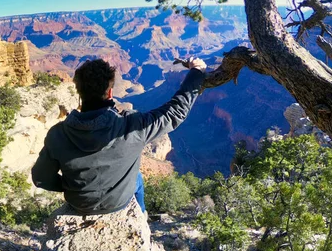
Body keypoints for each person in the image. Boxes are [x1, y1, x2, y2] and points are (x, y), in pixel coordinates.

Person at [31, 57, 206, 215]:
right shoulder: (131, 126)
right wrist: (197, 72)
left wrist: (73, 186)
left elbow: (40, 178)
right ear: (109, 93)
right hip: (119, 203)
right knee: (137, 177)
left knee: (136, 176)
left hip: (79, 204)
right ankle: (141, 215)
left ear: (79, 92)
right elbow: (175, 113)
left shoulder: (57, 134)